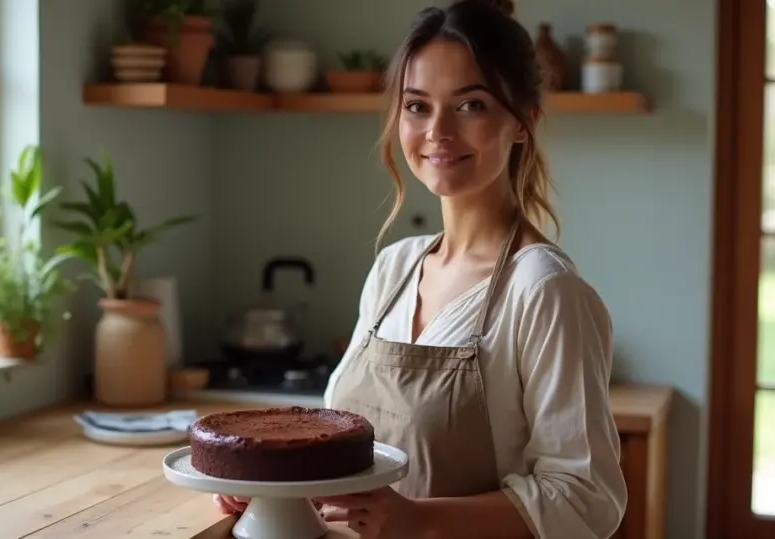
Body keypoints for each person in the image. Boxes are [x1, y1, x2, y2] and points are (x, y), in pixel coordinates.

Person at [213, 0, 627, 537]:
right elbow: (354, 460)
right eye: (417, 106)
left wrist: (419, 520)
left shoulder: (544, 290)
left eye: (472, 105)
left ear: (524, 124)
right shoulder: (395, 268)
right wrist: (272, 485)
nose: (438, 130)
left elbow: (586, 498)